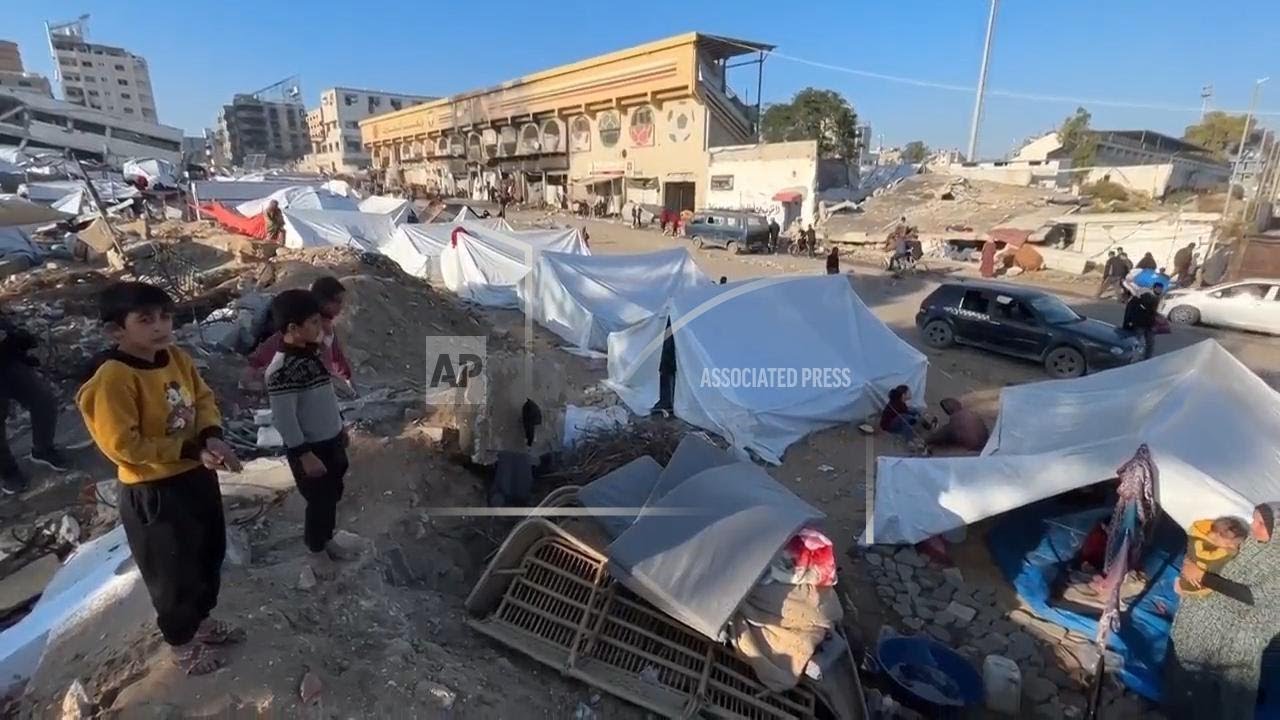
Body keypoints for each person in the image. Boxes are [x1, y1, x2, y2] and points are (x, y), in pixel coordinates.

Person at [76, 282, 244, 675]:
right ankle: (181, 643)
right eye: (145, 320)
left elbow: (202, 399)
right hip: (154, 490)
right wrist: (187, 450)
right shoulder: (113, 378)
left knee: (208, 555)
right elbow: (123, 445)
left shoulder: (175, 357)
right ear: (116, 331)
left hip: (195, 477)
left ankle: (201, 622)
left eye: (165, 316)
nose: (159, 326)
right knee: (172, 572)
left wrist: (210, 436)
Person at [264, 290, 351, 581]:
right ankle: (315, 551)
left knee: (332, 495)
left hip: (331, 439)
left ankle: (326, 540)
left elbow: (324, 398)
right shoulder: (281, 370)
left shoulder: (310, 356)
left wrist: (339, 426)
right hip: (310, 448)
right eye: (313, 322)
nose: (320, 328)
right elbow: (284, 419)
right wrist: (304, 454)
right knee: (319, 501)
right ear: (292, 329)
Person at [1165, 503, 1280, 719]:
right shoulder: (1252, 543)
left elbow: (1256, 596)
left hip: (1247, 624)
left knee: (1230, 690)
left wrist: (1202, 577)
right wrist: (1192, 566)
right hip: (1208, 612)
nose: (1252, 526)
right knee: (1188, 671)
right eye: (1254, 519)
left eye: (1261, 523)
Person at [247, 277, 354, 396]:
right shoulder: (302, 329)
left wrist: (347, 377)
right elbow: (275, 344)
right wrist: (254, 365)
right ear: (325, 303)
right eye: (338, 301)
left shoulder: (327, 328)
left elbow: (336, 356)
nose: (342, 306)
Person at [1, 313, 69, 494]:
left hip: (6, 364)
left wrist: (15, 337)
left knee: (43, 399)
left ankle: (43, 449)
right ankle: (8, 472)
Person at [1176, 516, 1250, 598]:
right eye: (1229, 544)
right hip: (1190, 582)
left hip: (1198, 585)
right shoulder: (1196, 541)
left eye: (1235, 545)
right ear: (1216, 535)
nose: (1232, 546)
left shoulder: (1225, 550)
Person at [1123, 282, 1163, 360]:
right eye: (1158, 288)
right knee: (1140, 341)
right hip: (1143, 324)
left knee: (1144, 341)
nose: (1159, 290)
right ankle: (1137, 357)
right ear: (1153, 288)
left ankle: (1135, 357)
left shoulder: (1153, 298)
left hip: (1146, 324)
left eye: (1160, 289)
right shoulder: (1149, 298)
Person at [652, 319, 677, 417]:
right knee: (668, 376)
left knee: (668, 375)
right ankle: (667, 402)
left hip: (669, 356)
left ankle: (667, 403)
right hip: (669, 356)